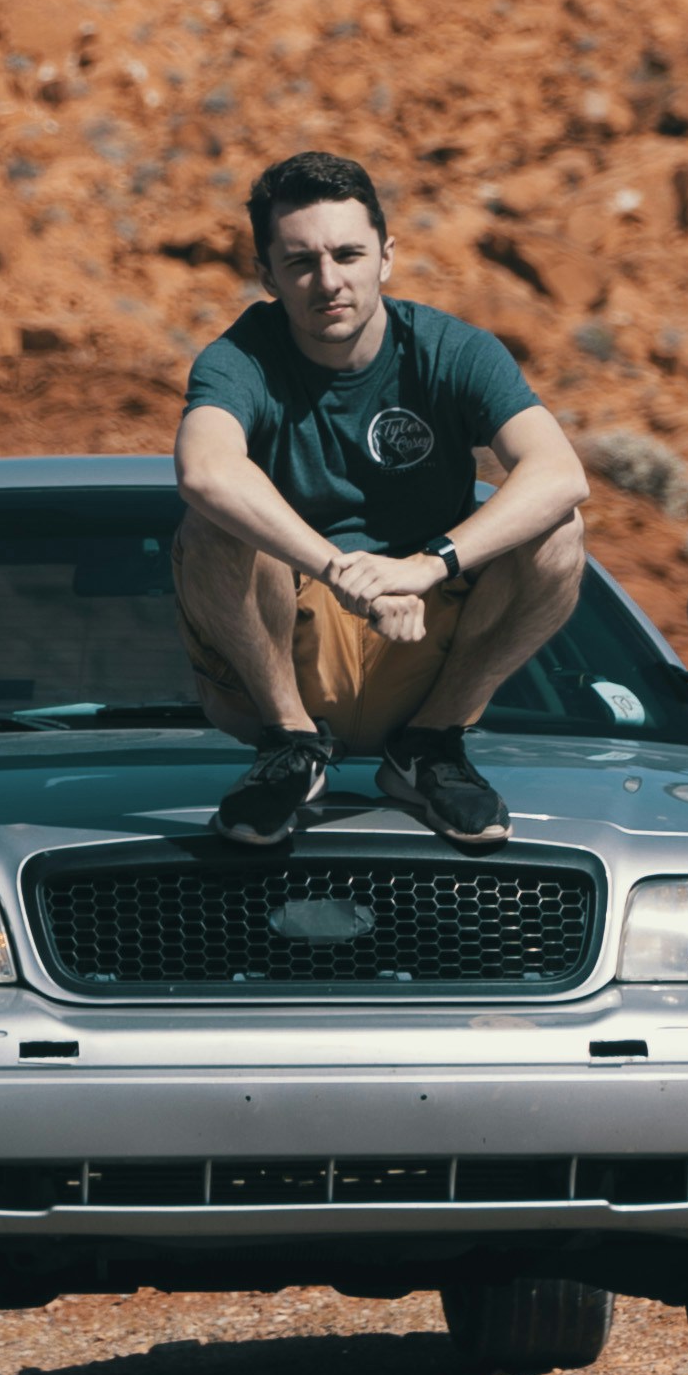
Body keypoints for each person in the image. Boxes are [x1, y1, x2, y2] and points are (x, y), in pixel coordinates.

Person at [170, 149, 590, 851]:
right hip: (288, 650)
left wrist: (426, 566)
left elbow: (560, 473)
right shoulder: (239, 360)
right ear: (267, 275)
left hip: (426, 642)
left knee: (559, 531)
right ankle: (290, 744)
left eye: (348, 254)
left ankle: (430, 745)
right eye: (300, 262)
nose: (328, 281)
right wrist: (342, 571)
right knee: (213, 522)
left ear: (386, 257)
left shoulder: (453, 351)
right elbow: (205, 470)